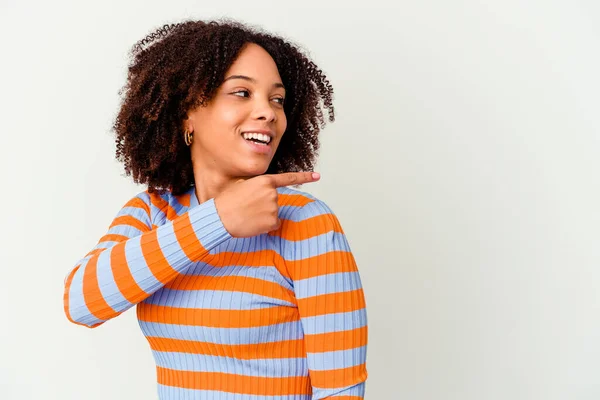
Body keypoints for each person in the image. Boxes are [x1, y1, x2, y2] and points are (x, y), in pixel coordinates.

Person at [63, 18, 368, 399]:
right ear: (188, 112)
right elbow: (82, 303)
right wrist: (217, 220)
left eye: (277, 99)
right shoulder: (153, 210)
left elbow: (341, 391)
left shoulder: (304, 221)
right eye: (242, 93)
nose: (268, 112)